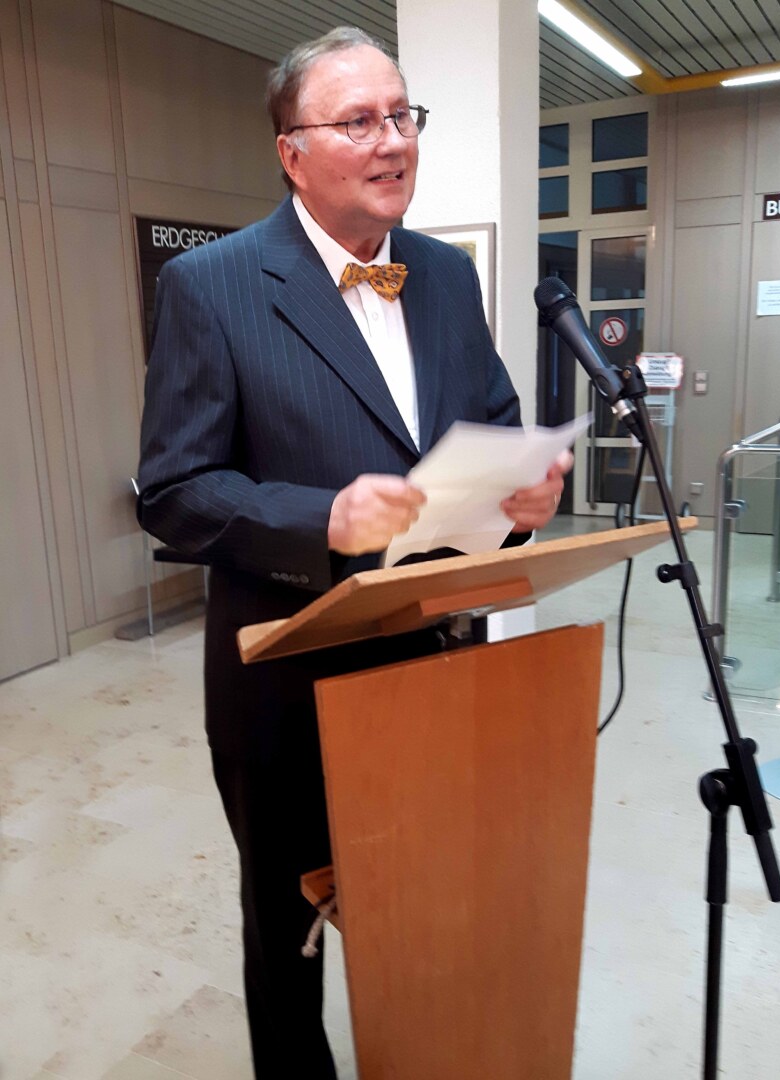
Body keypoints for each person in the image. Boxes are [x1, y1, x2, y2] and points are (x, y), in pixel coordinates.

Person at [138, 25, 570, 1079]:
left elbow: (493, 427)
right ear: (292, 153)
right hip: (286, 678)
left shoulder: (447, 275)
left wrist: (524, 499)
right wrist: (320, 519)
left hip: (439, 667)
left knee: (427, 908)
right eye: (359, 121)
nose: (394, 140)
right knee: (288, 931)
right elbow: (174, 493)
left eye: (402, 114)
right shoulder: (213, 285)